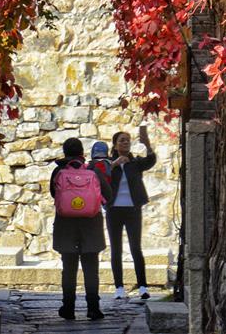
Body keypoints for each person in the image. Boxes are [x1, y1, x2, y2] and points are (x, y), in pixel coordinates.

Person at [50, 137, 114, 320]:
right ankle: (93, 308)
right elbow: (108, 195)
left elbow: (54, 194)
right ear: (82, 153)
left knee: (69, 268)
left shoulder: (59, 171)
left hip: (66, 225)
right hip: (91, 225)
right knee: (91, 268)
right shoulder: (93, 170)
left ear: (65, 153)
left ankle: (68, 308)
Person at [106, 128, 157, 300]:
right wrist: (114, 164)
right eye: (121, 140)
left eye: (127, 140)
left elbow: (151, 160)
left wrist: (147, 144)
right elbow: (99, 174)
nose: (125, 142)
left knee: (136, 248)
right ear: (114, 145)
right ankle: (119, 287)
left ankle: (142, 286)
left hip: (133, 210)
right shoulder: (108, 163)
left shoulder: (135, 163)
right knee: (116, 249)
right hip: (114, 210)